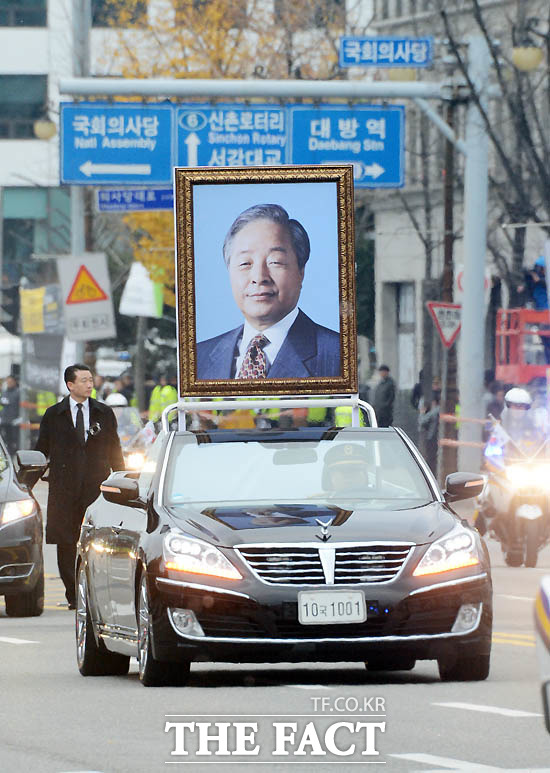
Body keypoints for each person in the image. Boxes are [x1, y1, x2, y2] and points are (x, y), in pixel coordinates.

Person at [196, 203, 340, 380]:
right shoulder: (198, 357)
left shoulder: (338, 354)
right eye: (245, 264)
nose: (259, 277)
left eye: (275, 261)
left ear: (301, 271)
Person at [35, 364, 125, 609]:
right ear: (70, 385)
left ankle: (97, 593)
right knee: (66, 542)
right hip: (63, 489)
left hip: (95, 489)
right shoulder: (54, 415)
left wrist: (123, 480)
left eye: (90, 380)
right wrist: (26, 485)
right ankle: (73, 595)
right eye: (84, 380)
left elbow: (115, 450)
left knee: (98, 541)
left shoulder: (103, 413)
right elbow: (41, 452)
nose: (89, 384)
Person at [0, 375, 20, 456]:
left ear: (14, 382)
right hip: (4, 420)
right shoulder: (4, 392)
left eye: (10, 382)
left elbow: (20, 407)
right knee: (4, 440)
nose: (9, 383)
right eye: (7, 382)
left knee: (12, 440)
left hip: (13, 421)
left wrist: (18, 418)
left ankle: (11, 455)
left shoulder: (18, 392)